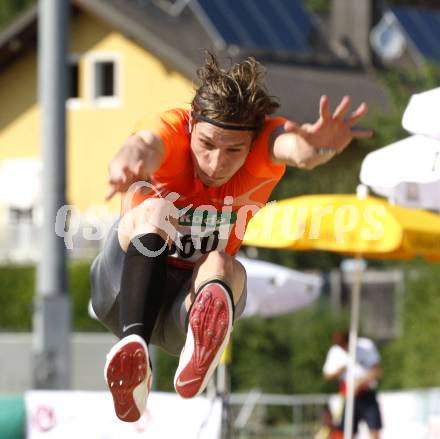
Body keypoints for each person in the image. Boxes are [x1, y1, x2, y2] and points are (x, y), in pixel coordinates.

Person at [90, 51, 372, 422]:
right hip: (123, 294)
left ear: (251, 144)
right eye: (206, 145)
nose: (216, 164)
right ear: (191, 126)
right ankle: (133, 348)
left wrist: (318, 147)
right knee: (157, 210)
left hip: (185, 309)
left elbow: (294, 147)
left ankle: (199, 350)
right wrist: (123, 161)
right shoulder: (171, 130)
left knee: (225, 264)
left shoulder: (264, 145)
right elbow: (142, 144)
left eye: (233, 151)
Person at [323, 330, 383, 439]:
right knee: (348, 431)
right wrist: (340, 370)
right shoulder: (335, 352)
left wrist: (361, 382)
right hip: (349, 396)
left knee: (374, 429)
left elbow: (377, 371)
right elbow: (327, 374)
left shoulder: (366, 345)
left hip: (367, 393)